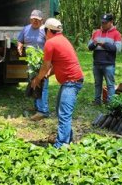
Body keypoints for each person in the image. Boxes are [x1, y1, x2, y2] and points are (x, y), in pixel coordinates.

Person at [31, 18, 84, 149]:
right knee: (61, 111)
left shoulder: (51, 43)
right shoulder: (63, 40)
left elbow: (45, 65)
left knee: (64, 113)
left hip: (71, 82)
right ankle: (68, 139)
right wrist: (49, 73)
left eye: (44, 30)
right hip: (71, 81)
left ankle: (61, 146)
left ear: (48, 30)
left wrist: (37, 79)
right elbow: (59, 62)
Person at [17, 9, 49, 121]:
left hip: (43, 61)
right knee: (33, 83)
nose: (34, 21)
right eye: (33, 19)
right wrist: (19, 46)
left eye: (37, 19)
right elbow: (20, 40)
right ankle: (37, 107)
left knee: (42, 84)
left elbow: (50, 44)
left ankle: (43, 110)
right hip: (31, 62)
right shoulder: (26, 29)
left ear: (42, 20)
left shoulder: (45, 30)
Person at [87, 13, 122, 105]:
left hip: (109, 64)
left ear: (111, 22)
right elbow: (89, 47)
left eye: (105, 23)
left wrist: (104, 44)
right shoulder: (96, 33)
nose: (103, 24)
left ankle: (111, 103)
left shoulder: (116, 34)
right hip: (97, 63)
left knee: (110, 85)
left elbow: (117, 48)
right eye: (102, 22)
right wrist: (94, 44)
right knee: (97, 84)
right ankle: (97, 101)